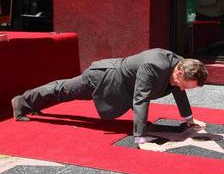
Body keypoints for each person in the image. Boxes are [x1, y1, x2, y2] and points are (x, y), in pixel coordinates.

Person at [11, 48, 208, 152]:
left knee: (63, 90)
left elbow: (178, 91)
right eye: (184, 83)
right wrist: (141, 138)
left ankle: (28, 102)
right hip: (104, 78)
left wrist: (189, 119)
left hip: (121, 86)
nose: (182, 88)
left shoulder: (181, 65)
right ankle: (22, 102)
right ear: (180, 71)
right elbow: (141, 99)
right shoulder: (155, 65)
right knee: (63, 90)